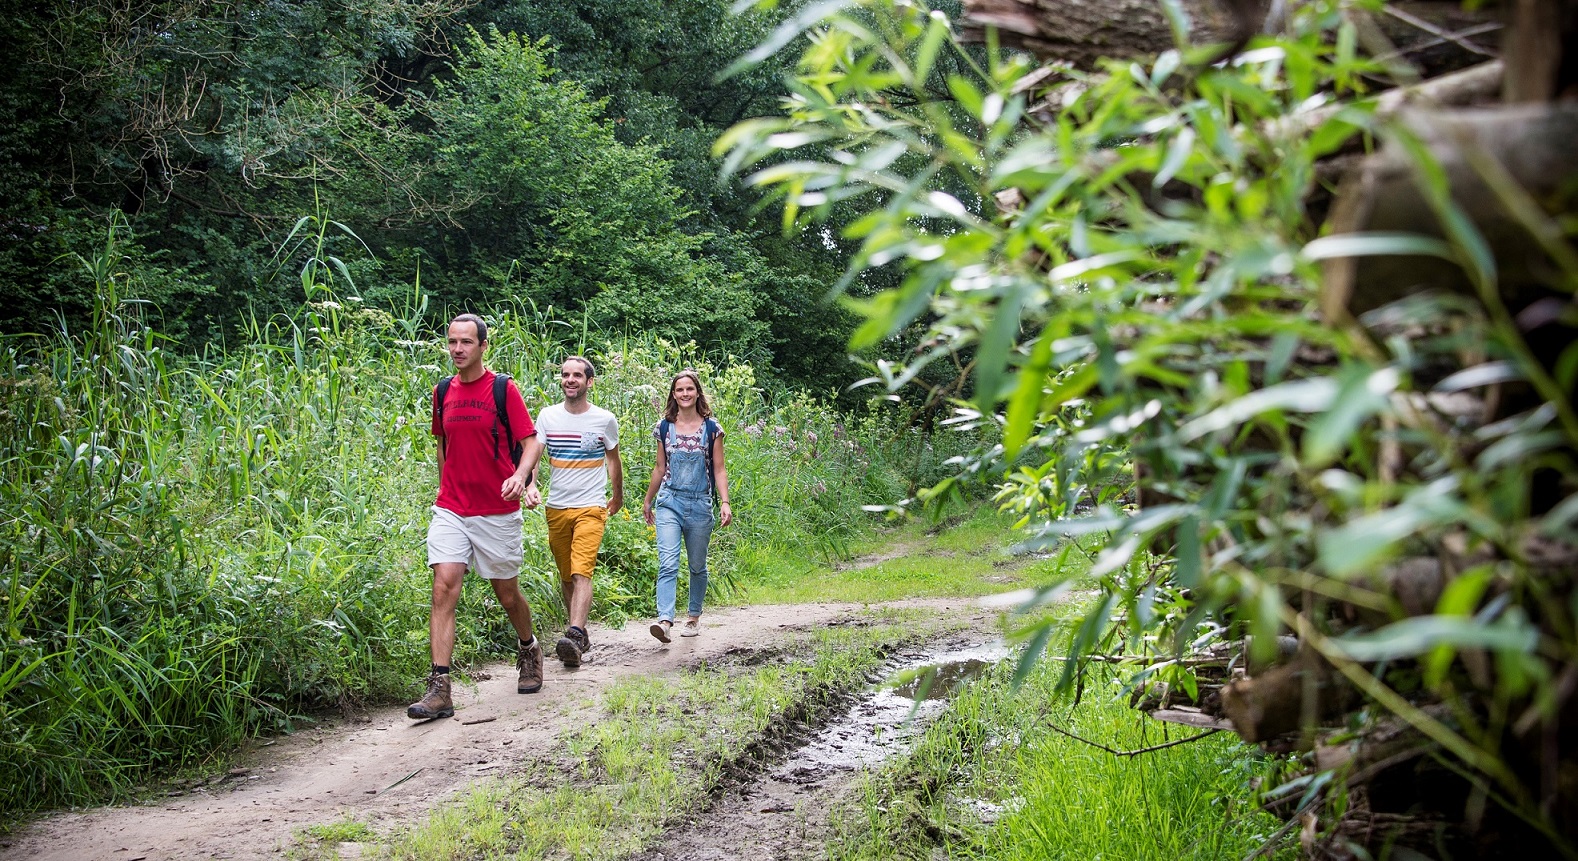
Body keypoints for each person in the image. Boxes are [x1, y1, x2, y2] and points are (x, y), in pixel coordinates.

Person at [409, 314, 544, 721]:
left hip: (497, 510)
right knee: (443, 587)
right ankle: (440, 688)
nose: (457, 349)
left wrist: (521, 477)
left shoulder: (503, 389)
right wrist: (443, 489)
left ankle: (528, 648)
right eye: (452, 342)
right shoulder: (442, 392)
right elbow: (442, 446)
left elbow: (531, 441)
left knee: (506, 594)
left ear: (483, 346)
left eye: (466, 342)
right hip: (452, 508)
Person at [519, 356, 623, 668]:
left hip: (591, 505)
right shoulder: (548, 416)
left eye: (578, 375)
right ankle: (577, 640)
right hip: (556, 507)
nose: (570, 380)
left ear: (590, 382)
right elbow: (535, 454)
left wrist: (617, 496)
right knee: (567, 575)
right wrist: (531, 484)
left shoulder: (604, 419)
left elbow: (613, 461)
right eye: (566, 375)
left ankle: (575, 632)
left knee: (582, 570)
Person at [642, 370, 732, 643]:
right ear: (673, 394)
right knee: (668, 563)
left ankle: (693, 617)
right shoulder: (664, 427)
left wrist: (725, 502)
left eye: (689, 389)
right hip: (669, 501)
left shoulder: (712, 428)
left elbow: (719, 469)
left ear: (697, 392)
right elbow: (660, 468)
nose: (684, 394)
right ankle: (665, 621)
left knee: (696, 566)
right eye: (679, 389)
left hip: (700, 505)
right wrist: (648, 500)